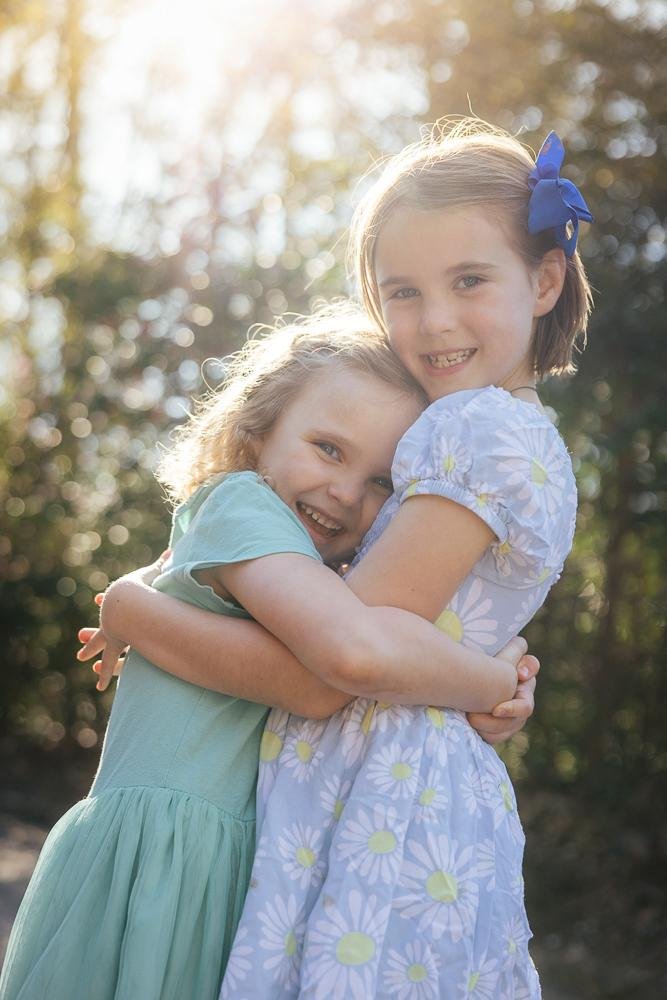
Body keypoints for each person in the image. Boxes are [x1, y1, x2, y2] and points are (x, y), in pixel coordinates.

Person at [0, 305, 534, 1000]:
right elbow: (325, 679)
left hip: (232, 873)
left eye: (381, 483)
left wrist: (506, 673)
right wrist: (492, 678)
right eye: (328, 449)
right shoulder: (240, 504)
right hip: (166, 865)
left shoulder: (325, 578)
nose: (345, 492)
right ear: (255, 436)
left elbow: (389, 642)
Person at [210, 121, 592, 998]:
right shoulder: (497, 433)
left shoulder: (477, 427)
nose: (434, 320)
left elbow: (335, 661)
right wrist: (487, 673)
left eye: (468, 280)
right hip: (405, 788)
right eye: (402, 292)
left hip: (385, 791)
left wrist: (137, 611)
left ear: (543, 279)